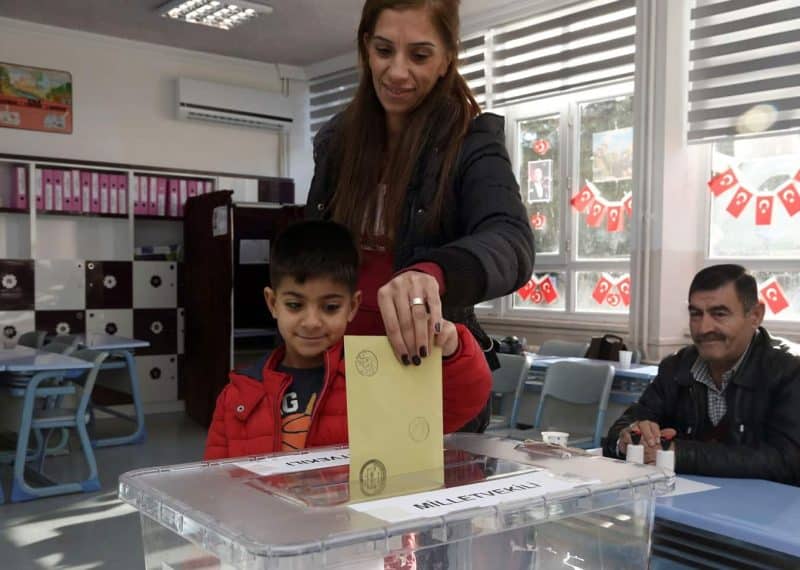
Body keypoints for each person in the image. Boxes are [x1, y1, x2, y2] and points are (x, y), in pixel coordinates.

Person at [306, 0, 535, 431]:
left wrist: (432, 272)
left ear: (448, 57)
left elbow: (511, 241)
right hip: (335, 376)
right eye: (384, 50)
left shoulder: (472, 143)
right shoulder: (336, 140)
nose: (396, 72)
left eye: (420, 55)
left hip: (430, 381)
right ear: (364, 47)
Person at [204, 220, 493, 460]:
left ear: (353, 306)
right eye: (295, 305)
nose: (311, 321)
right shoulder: (237, 396)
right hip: (264, 527)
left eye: (330, 307)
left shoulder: (375, 379)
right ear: (272, 302)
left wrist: (452, 350)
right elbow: (215, 487)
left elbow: (462, 403)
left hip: (349, 526)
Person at [603, 264, 800, 485]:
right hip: (685, 507)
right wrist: (629, 438)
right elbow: (623, 426)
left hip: (771, 513)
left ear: (755, 315)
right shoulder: (676, 368)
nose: (703, 328)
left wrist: (677, 453)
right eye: (695, 314)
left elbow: (788, 461)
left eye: (719, 314)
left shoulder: (790, 370)